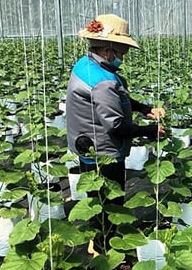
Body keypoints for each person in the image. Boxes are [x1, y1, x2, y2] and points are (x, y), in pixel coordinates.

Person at [66, 14, 165, 255]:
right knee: (110, 202)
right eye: (122, 51)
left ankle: (97, 238)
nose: (124, 56)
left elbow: (118, 97)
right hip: (103, 148)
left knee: (96, 197)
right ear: (109, 48)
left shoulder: (86, 65)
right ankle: (104, 250)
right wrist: (150, 131)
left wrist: (145, 109)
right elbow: (117, 126)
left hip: (87, 143)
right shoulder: (103, 80)